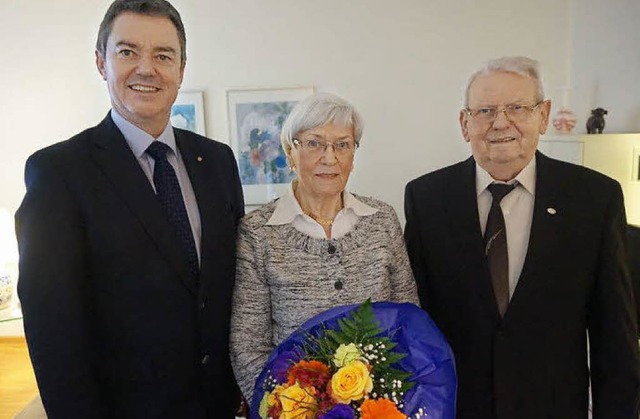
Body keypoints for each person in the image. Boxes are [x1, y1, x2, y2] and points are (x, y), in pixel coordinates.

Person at [15, 0, 244, 417]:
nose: (146, 68)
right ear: (101, 62)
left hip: (218, 405)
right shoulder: (59, 172)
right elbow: (53, 330)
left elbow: (231, 289)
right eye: (127, 51)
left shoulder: (217, 161)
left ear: (181, 68)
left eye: (163, 55)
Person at [404, 56, 639, 419]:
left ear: (543, 116)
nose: (501, 123)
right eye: (484, 110)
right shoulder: (426, 199)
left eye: (517, 108)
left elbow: (615, 336)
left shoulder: (594, 199)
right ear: (464, 124)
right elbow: (416, 321)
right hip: (455, 407)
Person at [230, 92, 420, 402]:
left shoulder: (383, 219)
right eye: (315, 143)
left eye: (342, 145)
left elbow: (408, 318)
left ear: (353, 156)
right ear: (290, 152)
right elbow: (248, 344)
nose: (329, 158)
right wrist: (284, 408)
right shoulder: (258, 233)